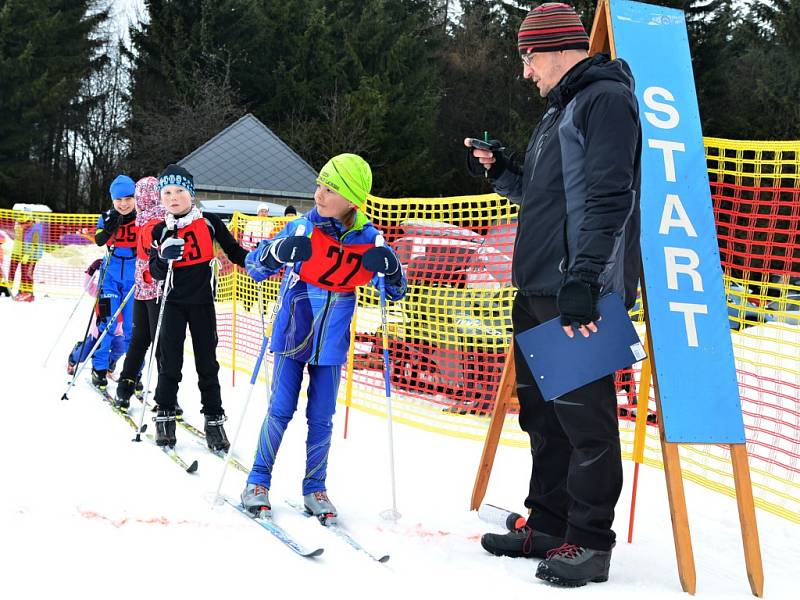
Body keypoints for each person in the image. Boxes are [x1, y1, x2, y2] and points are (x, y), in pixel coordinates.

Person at [465, 3, 642, 588]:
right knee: (543, 416)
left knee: (587, 425)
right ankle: (548, 524)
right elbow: (545, 201)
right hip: (540, 285)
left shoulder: (605, 101)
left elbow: (610, 199)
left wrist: (585, 282)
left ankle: (590, 544)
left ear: (560, 49)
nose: (525, 71)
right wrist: (503, 171)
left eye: (528, 57)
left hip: (576, 291)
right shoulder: (560, 111)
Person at [239, 154, 407, 523]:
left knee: (322, 417)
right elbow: (253, 265)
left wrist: (392, 270)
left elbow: (394, 292)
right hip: (291, 336)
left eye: (331, 189)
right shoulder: (301, 228)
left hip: (331, 344)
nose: (319, 194)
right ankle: (257, 481)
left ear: (352, 199)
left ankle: (315, 488)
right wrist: (277, 252)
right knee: (280, 410)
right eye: (319, 184)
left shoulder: (369, 239)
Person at [148, 164, 248, 451]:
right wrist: (163, 257)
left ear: (191, 193)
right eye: (167, 192)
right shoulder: (160, 229)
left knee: (207, 363)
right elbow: (154, 271)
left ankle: (214, 420)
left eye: (179, 190)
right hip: (172, 303)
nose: (173, 197)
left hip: (202, 302)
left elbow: (236, 252)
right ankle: (164, 414)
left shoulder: (209, 222)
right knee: (170, 362)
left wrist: (261, 262)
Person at [113, 177, 167, 410]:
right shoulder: (161, 221)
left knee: (139, 341)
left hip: (143, 289)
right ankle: (166, 396)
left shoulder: (142, 220)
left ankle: (125, 386)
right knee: (162, 343)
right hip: (158, 290)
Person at [91, 175, 138, 389]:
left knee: (133, 329)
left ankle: (133, 372)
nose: (124, 203)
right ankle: (99, 368)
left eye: (128, 198)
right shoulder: (107, 216)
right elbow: (99, 240)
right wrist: (111, 226)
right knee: (107, 324)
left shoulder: (142, 218)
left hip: (134, 280)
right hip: (109, 278)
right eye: (118, 199)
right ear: (112, 199)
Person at [8, 208, 44, 302]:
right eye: (20, 223)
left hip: (32, 255)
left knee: (27, 274)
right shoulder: (19, 225)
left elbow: (35, 245)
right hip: (20, 251)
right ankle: (20, 291)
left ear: (29, 221)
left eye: (23, 223)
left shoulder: (36, 229)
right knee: (18, 272)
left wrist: (28, 255)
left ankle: (29, 294)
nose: (21, 225)